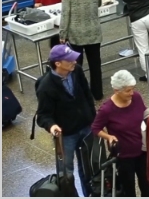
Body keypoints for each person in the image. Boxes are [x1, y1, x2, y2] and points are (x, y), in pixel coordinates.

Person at [35, 44, 96, 197]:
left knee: (89, 167)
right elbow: (43, 115)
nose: (74, 62)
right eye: (69, 60)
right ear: (58, 63)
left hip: (86, 127)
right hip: (66, 135)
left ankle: (91, 194)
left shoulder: (77, 71)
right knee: (66, 173)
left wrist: (93, 118)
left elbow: (87, 94)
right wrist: (52, 126)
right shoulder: (45, 87)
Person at [91, 70, 149, 197]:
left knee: (147, 186)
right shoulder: (107, 109)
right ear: (116, 90)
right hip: (124, 156)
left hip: (142, 150)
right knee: (128, 189)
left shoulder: (136, 97)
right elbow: (95, 128)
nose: (132, 93)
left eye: (133, 89)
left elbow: (144, 113)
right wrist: (108, 136)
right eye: (128, 91)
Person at [60, 0, 104, 100]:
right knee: (95, 65)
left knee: (76, 66)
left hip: (76, 34)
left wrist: (63, 34)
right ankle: (97, 93)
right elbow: (98, 4)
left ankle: (79, 94)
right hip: (94, 32)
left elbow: (65, 14)